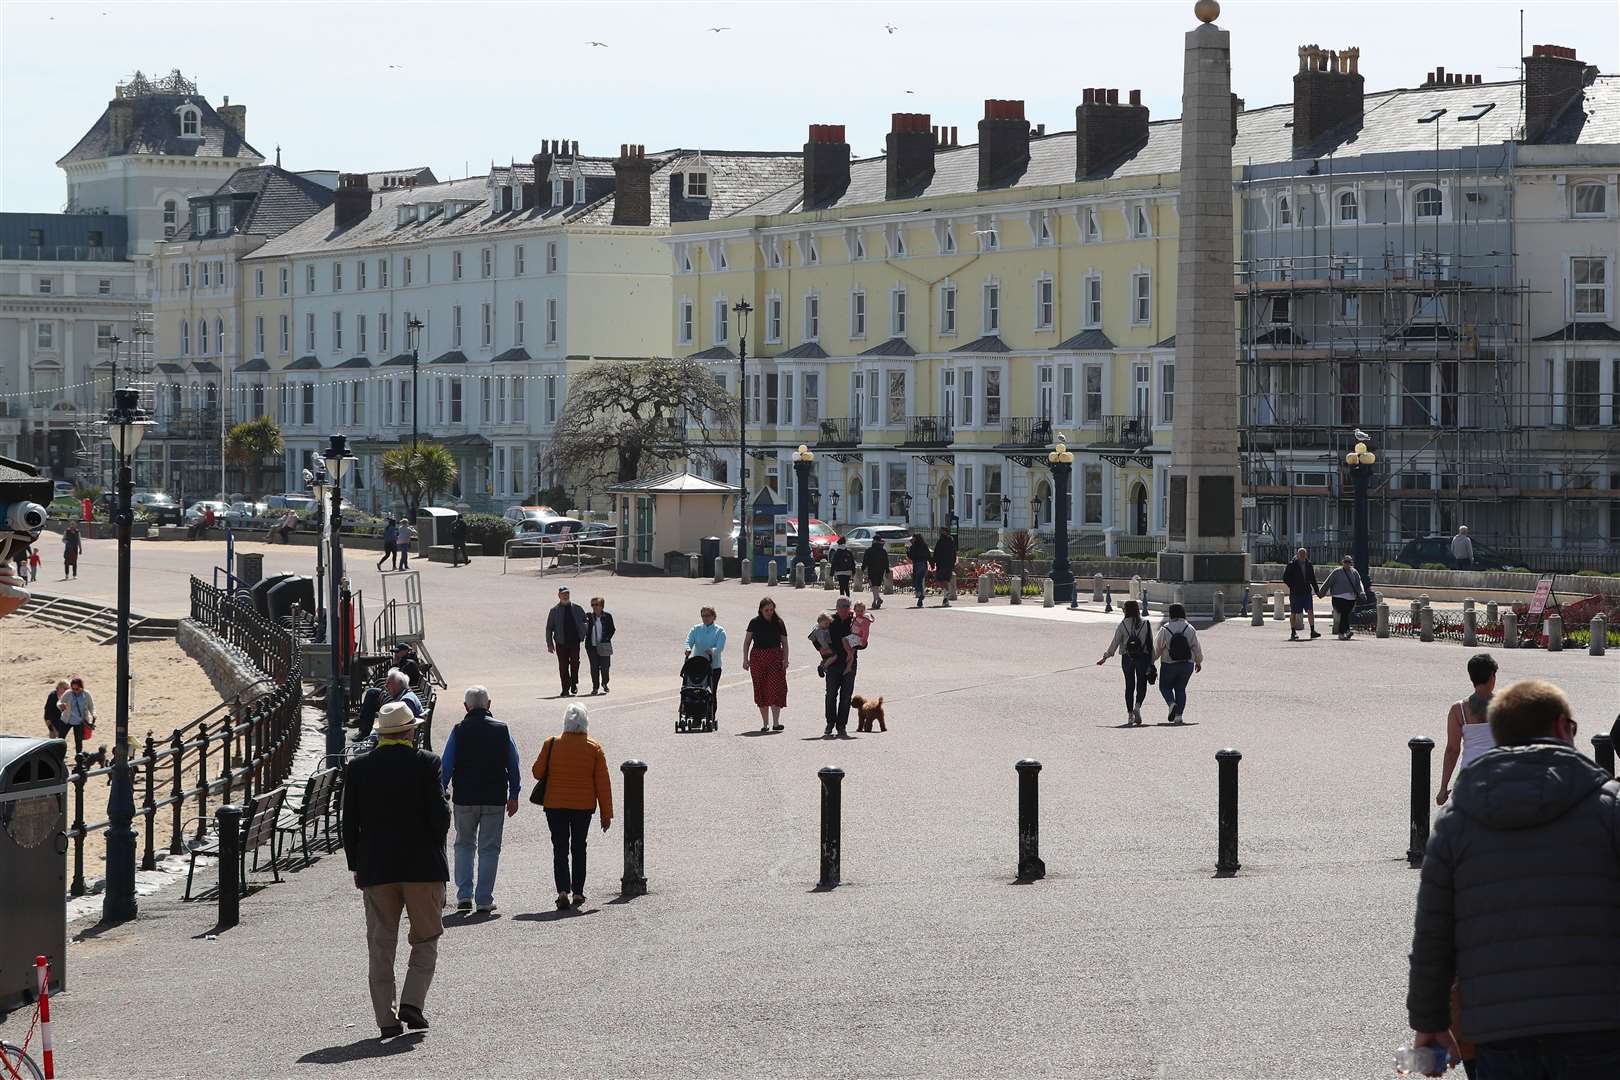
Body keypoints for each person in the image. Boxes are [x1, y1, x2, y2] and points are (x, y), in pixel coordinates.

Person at [1406, 679, 1620, 1077]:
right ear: (1561, 728)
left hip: (1497, 1033)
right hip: (1599, 1024)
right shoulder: (1608, 807)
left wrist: (1429, 1021)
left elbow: (1433, 933)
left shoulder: (1457, 821)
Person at [342, 701, 449, 1038]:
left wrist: (356, 864)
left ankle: (386, 1018)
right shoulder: (427, 764)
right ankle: (412, 1002)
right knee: (426, 936)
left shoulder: (359, 768)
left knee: (381, 944)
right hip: (422, 867)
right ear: (409, 731)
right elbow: (440, 819)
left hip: (377, 868)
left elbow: (350, 824)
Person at [438, 686, 521, 915]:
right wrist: (514, 794)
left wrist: (441, 790)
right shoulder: (502, 730)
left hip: (465, 796)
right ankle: (484, 898)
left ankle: (464, 895)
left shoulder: (459, 730)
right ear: (489, 704)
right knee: (489, 848)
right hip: (494, 797)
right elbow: (513, 763)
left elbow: (446, 765)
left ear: (466, 707)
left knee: (464, 844)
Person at [531, 703, 613, 910]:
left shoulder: (552, 743)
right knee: (579, 847)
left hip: (555, 804)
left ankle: (562, 891)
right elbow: (603, 784)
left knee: (559, 847)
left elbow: (537, 772)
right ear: (585, 723)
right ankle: (578, 892)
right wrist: (606, 814)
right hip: (582, 806)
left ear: (565, 722)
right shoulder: (594, 748)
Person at [1436, 653, 1498, 807]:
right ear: (1492, 676)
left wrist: (1443, 787)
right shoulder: (1507, 706)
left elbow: (1452, 750)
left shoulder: (1459, 710)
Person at [1097, 600, 1154, 726]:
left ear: (1126, 611)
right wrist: (1152, 661)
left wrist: (1105, 657)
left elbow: (1115, 642)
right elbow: (1150, 644)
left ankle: (1130, 715)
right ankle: (1137, 707)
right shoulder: (1146, 623)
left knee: (1129, 685)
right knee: (1141, 684)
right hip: (1142, 657)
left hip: (1127, 657)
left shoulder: (1122, 625)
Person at [743, 596, 789, 732]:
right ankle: (765, 724)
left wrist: (785, 659)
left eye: (771, 609)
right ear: (761, 610)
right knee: (761, 688)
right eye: (766, 610)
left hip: (775, 656)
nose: (769, 612)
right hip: (758, 657)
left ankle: (776, 722)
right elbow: (747, 642)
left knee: (776, 687)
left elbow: (785, 643)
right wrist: (745, 659)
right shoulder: (754, 622)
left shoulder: (779, 622)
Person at [1152, 602, 1202, 724]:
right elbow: (1196, 647)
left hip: (1169, 663)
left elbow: (1157, 648)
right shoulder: (1190, 628)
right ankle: (1179, 716)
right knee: (1180, 689)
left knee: (1164, 687)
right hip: (1187, 663)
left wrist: (1151, 662)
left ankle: (1171, 703)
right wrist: (1198, 661)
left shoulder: (1165, 628)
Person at [355, 668, 423, 742]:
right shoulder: (404, 695)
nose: (385, 686)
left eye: (388, 683)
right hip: (399, 736)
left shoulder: (405, 701)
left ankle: (364, 734)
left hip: (401, 740)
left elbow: (400, 727)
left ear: (397, 685)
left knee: (359, 749)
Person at [823, 596, 859, 737]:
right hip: (833, 663)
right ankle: (830, 722)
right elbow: (816, 636)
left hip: (849, 663)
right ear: (836, 608)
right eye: (841, 606)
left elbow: (862, 641)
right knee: (831, 694)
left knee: (846, 696)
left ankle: (841, 725)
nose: (844, 608)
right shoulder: (830, 620)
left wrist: (860, 643)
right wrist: (823, 653)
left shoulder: (854, 622)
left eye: (846, 606)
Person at [544, 585, 587, 696]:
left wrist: (583, 632)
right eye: (563, 594)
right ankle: (565, 688)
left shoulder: (577, 608)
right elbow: (549, 628)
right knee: (563, 666)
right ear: (559, 596)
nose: (565, 596)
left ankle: (573, 683)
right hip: (561, 643)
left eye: (567, 593)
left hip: (574, 642)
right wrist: (549, 644)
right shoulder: (554, 611)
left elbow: (585, 621)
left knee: (575, 663)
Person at [684, 606, 727, 717]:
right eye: (703, 616)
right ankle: (694, 712)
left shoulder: (720, 631)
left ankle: (710, 715)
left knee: (711, 691)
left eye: (708, 616)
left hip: (713, 666)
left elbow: (720, 648)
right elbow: (688, 641)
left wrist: (712, 651)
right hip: (697, 666)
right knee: (694, 690)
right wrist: (688, 648)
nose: (705, 618)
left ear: (713, 616)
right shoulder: (696, 629)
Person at [1321, 555, 1368, 640]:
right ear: (1342, 562)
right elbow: (1328, 582)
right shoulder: (1336, 572)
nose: (1347, 563)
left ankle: (1346, 631)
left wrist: (1362, 592)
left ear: (1351, 563)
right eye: (1345, 562)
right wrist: (1321, 592)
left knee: (1345, 614)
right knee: (1344, 613)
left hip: (1351, 598)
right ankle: (1342, 632)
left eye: (1349, 562)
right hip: (1338, 597)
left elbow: (1359, 583)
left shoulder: (1354, 572)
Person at [1281, 548, 1321, 642]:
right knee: (1294, 612)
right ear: (1297, 555)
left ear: (1306, 555)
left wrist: (1317, 590)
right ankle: (1293, 632)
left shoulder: (1309, 564)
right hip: (1295, 593)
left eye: (1304, 554)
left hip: (1307, 592)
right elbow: (1285, 578)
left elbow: (1312, 579)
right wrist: (1293, 586)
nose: (1303, 556)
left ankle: (1312, 630)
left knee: (1310, 610)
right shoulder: (1292, 564)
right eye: (1301, 554)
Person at [582, 597, 615, 695]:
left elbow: (612, 629)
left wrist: (606, 639)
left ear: (602, 606)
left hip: (604, 645)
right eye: (592, 605)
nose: (594, 607)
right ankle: (595, 687)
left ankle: (604, 683)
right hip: (591, 646)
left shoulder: (607, 616)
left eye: (596, 605)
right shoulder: (588, 616)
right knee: (594, 667)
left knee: (605, 666)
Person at [57, 676, 95, 749]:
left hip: (79, 722)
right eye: (73, 688)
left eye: (77, 689)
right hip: (66, 720)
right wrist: (60, 705)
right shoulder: (68, 693)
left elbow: (91, 706)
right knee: (60, 740)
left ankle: (79, 758)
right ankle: (59, 757)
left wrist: (94, 715)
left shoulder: (86, 694)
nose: (75, 691)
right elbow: (59, 702)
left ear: (81, 687)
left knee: (78, 742)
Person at [932, 528, 957, 608]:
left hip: (942, 564)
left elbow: (936, 552)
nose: (940, 533)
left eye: (942, 531)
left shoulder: (941, 541)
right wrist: (953, 563)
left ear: (945, 532)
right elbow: (954, 553)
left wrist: (933, 562)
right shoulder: (951, 542)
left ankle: (946, 592)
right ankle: (946, 596)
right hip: (948, 565)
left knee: (940, 580)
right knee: (945, 580)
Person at [862, 538, 889, 610]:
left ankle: (875, 600)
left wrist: (863, 568)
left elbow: (865, 560)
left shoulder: (869, 550)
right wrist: (887, 570)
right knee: (876, 586)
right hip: (880, 570)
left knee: (873, 585)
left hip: (872, 569)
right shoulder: (883, 551)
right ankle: (877, 599)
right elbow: (886, 561)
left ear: (874, 541)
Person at [907, 533, 931, 608]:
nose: (912, 539)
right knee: (919, 580)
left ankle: (920, 594)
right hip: (923, 564)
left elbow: (911, 556)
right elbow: (928, 555)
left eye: (913, 538)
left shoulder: (914, 547)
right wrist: (931, 563)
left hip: (918, 564)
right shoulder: (924, 545)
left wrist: (908, 550)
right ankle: (920, 596)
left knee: (917, 580)